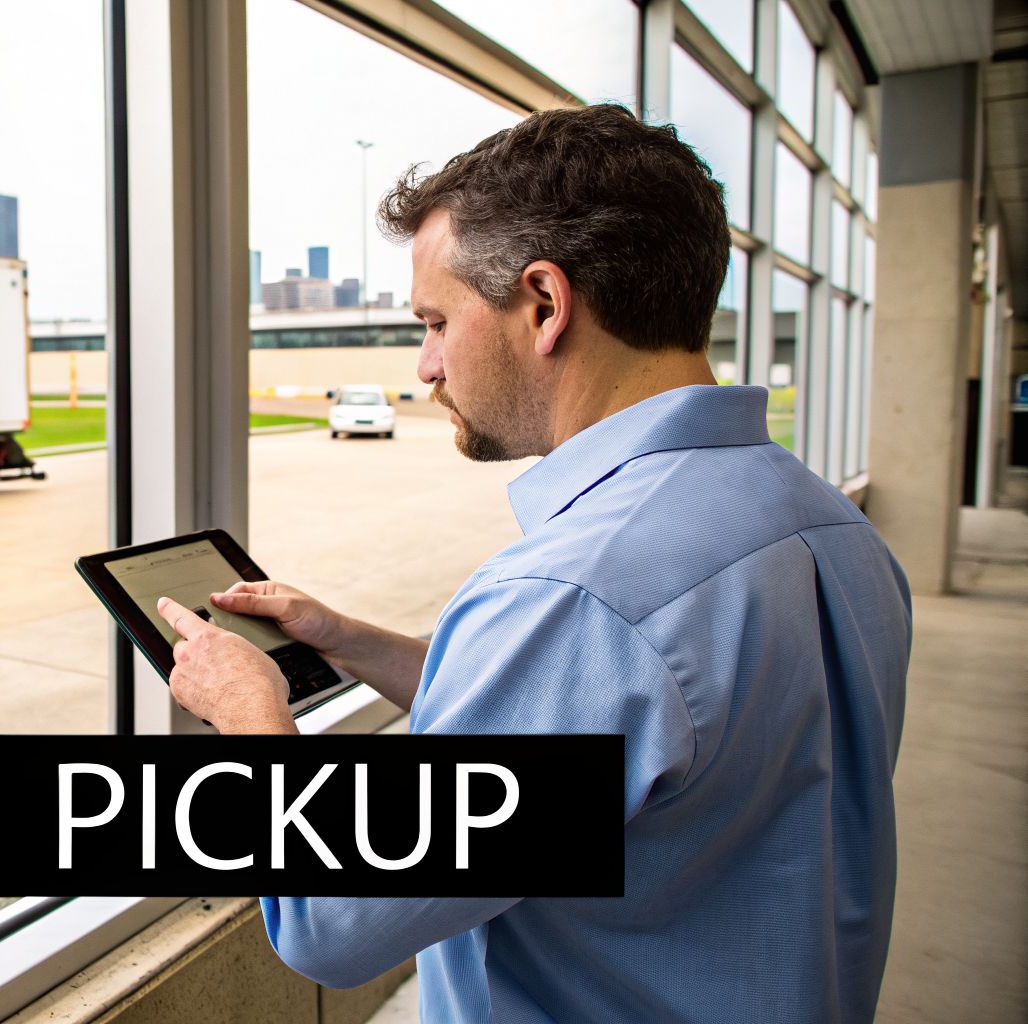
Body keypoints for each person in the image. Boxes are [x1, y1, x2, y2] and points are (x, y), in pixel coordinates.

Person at [157, 104, 910, 1021]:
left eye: (436, 320)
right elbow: (615, 738)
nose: (427, 365)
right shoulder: (829, 525)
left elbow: (333, 919)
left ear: (545, 305)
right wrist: (348, 640)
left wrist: (251, 719)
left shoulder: (574, 597)